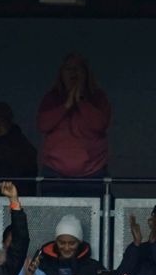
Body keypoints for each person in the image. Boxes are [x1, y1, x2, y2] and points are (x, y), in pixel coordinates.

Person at [35, 55, 111, 192]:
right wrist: (66, 105)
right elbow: (43, 125)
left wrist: (81, 100)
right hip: (55, 172)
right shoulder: (52, 97)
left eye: (78, 68)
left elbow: (99, 125)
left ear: (86, 74)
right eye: (68, 68)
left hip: (92, 173)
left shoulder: (98, 97)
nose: (73, 72)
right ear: (61, 74)